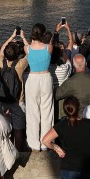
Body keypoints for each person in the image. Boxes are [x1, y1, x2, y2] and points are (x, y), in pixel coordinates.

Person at [25, 23, 55, 151]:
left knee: (32, 113)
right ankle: (45, 142)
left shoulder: (27, 48)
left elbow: (30, 45)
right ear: (44, 34)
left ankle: (33, 143)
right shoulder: (49, 47)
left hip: (32, 79)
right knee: (47, 112)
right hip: (45, 78)